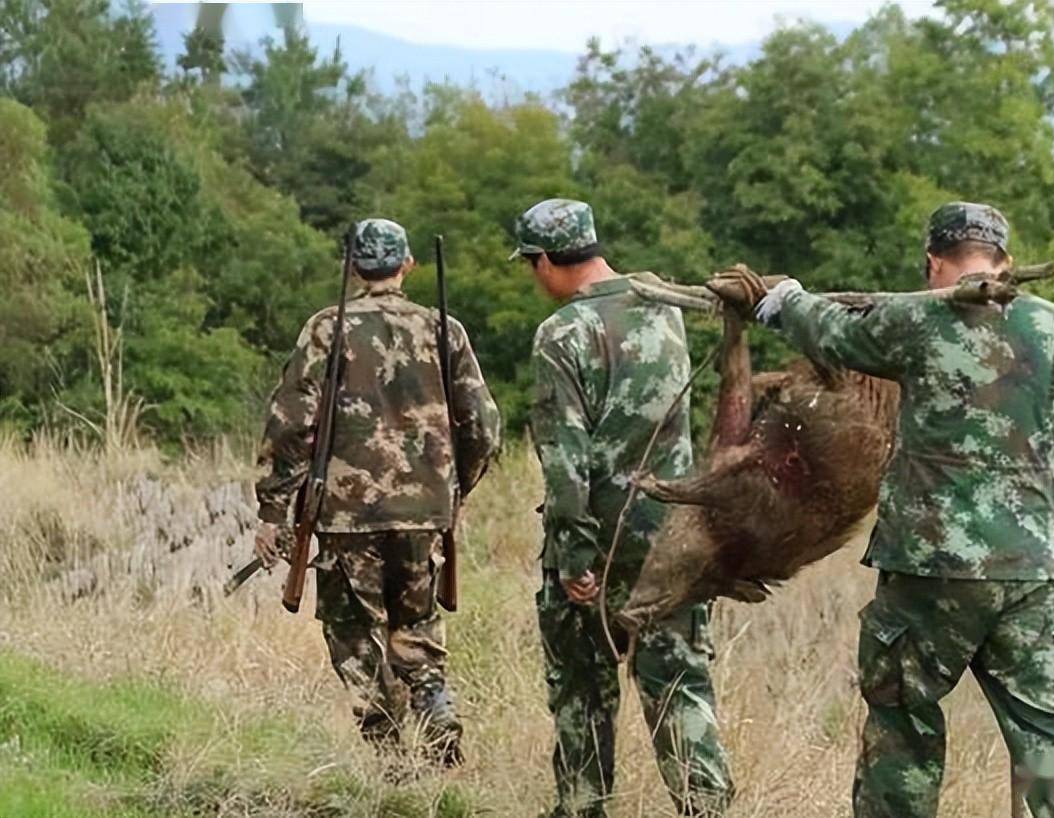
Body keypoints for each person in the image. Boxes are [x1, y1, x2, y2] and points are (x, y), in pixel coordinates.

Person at [715, 202, 1054, 818]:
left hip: (929, 571)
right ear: (1003, 260)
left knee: (903, 727)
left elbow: (835, 334)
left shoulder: (917, 316)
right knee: (1052, 735)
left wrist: (784, 298)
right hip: (1028, 571)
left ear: (933, 262)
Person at [515, 198, 734, 818]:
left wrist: (574, 555)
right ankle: (707, 807)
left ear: (551, 259)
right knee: (678, 684)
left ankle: (583, 806)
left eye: (532, 264)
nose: (534, 278)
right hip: (675, 532)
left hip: (602, 536)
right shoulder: (665, 309)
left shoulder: (562, 333)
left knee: (583, 687)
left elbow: (564, 458)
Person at [253, 218, 501, 766]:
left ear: (352, 268)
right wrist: (455, 488)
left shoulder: (327, 328)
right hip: (425, 514)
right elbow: (483, 425)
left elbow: (292, 424)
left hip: (347, 516)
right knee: (416, 627)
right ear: (406, 264)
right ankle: (436, 712)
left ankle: (388, 758)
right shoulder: (446, 331)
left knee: (353, 633)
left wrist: (273, 509)